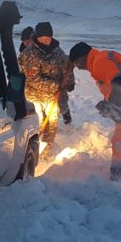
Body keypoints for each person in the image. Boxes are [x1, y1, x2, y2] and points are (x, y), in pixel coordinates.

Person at [68, 41, 121, 183]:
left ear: (83, 57)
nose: (78, 67)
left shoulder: (99, 61)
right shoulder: (100, 59)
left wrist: (111, 105)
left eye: (76, 63)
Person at [18, 21, 75, 161]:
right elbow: (33, 80)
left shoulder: (57, 50)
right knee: (38, 122)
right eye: (42, 38)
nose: (45, 40)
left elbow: (66, 66)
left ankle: (45, 153)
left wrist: (69, 82)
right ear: (36, 37)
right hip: (34, 95)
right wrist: (56, 86)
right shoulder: (29, 54)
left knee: (52, 123)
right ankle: (31, 152)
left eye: (47, 37)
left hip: (52, 97)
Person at [20, 25, 73, 124]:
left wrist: (69, 81)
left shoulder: (53, 49)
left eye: (28, 40)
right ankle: (44, 123)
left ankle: (66, 114)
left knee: (61, 103)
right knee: (39, 110)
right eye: (24, 41)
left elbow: (65, 63)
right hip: (36, 88)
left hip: (54, 82)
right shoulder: (25, 53)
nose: (27, 43)